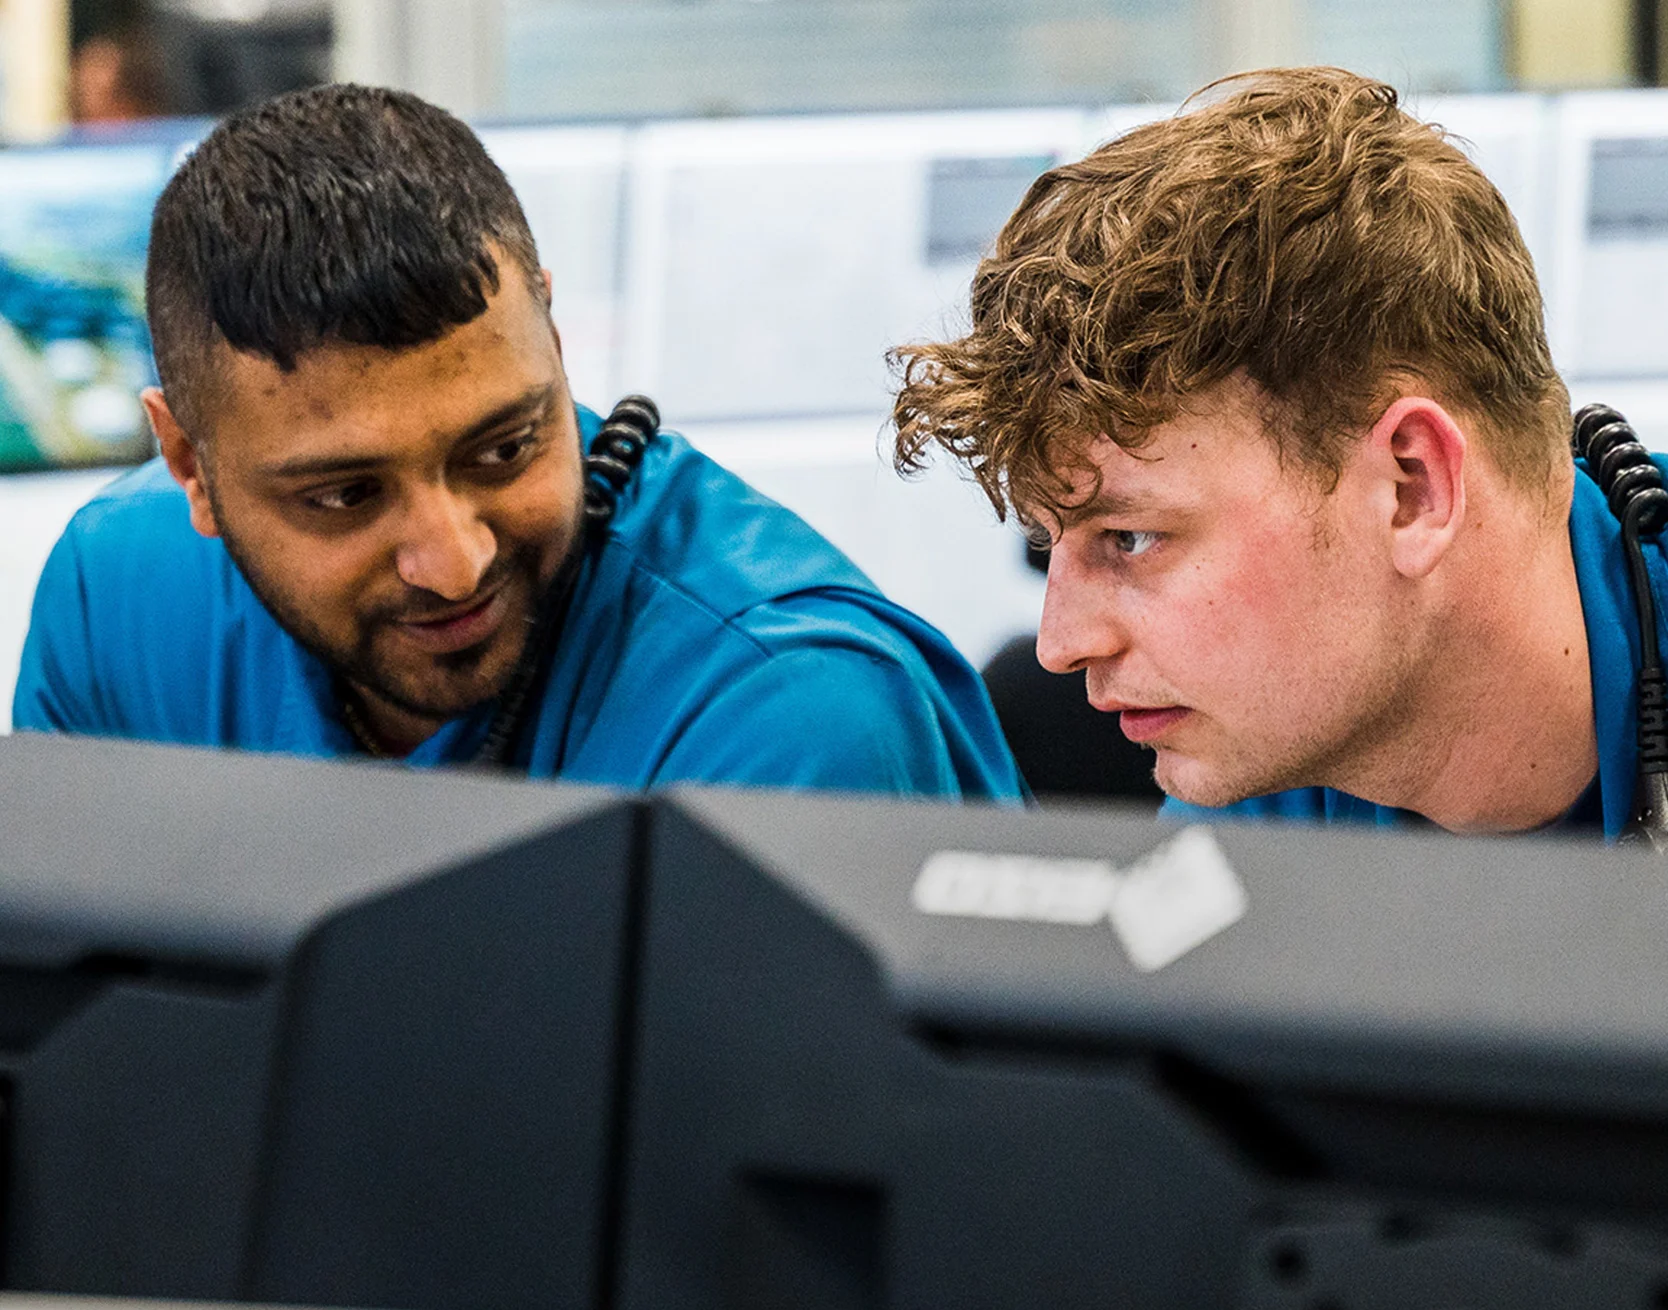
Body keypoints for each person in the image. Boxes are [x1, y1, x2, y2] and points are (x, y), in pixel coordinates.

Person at [16, 86, 1021, 802]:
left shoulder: (790, 709)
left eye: (502, 449)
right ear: (189, 464)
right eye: (346, 497)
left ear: (553, 332)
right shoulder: (116, 597)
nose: (454, 563)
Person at [892, 68, 1642, 836]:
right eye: (1052, 543)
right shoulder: (1261, 770)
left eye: (1132, 537)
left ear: (1411, 489)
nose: (1061, 646)